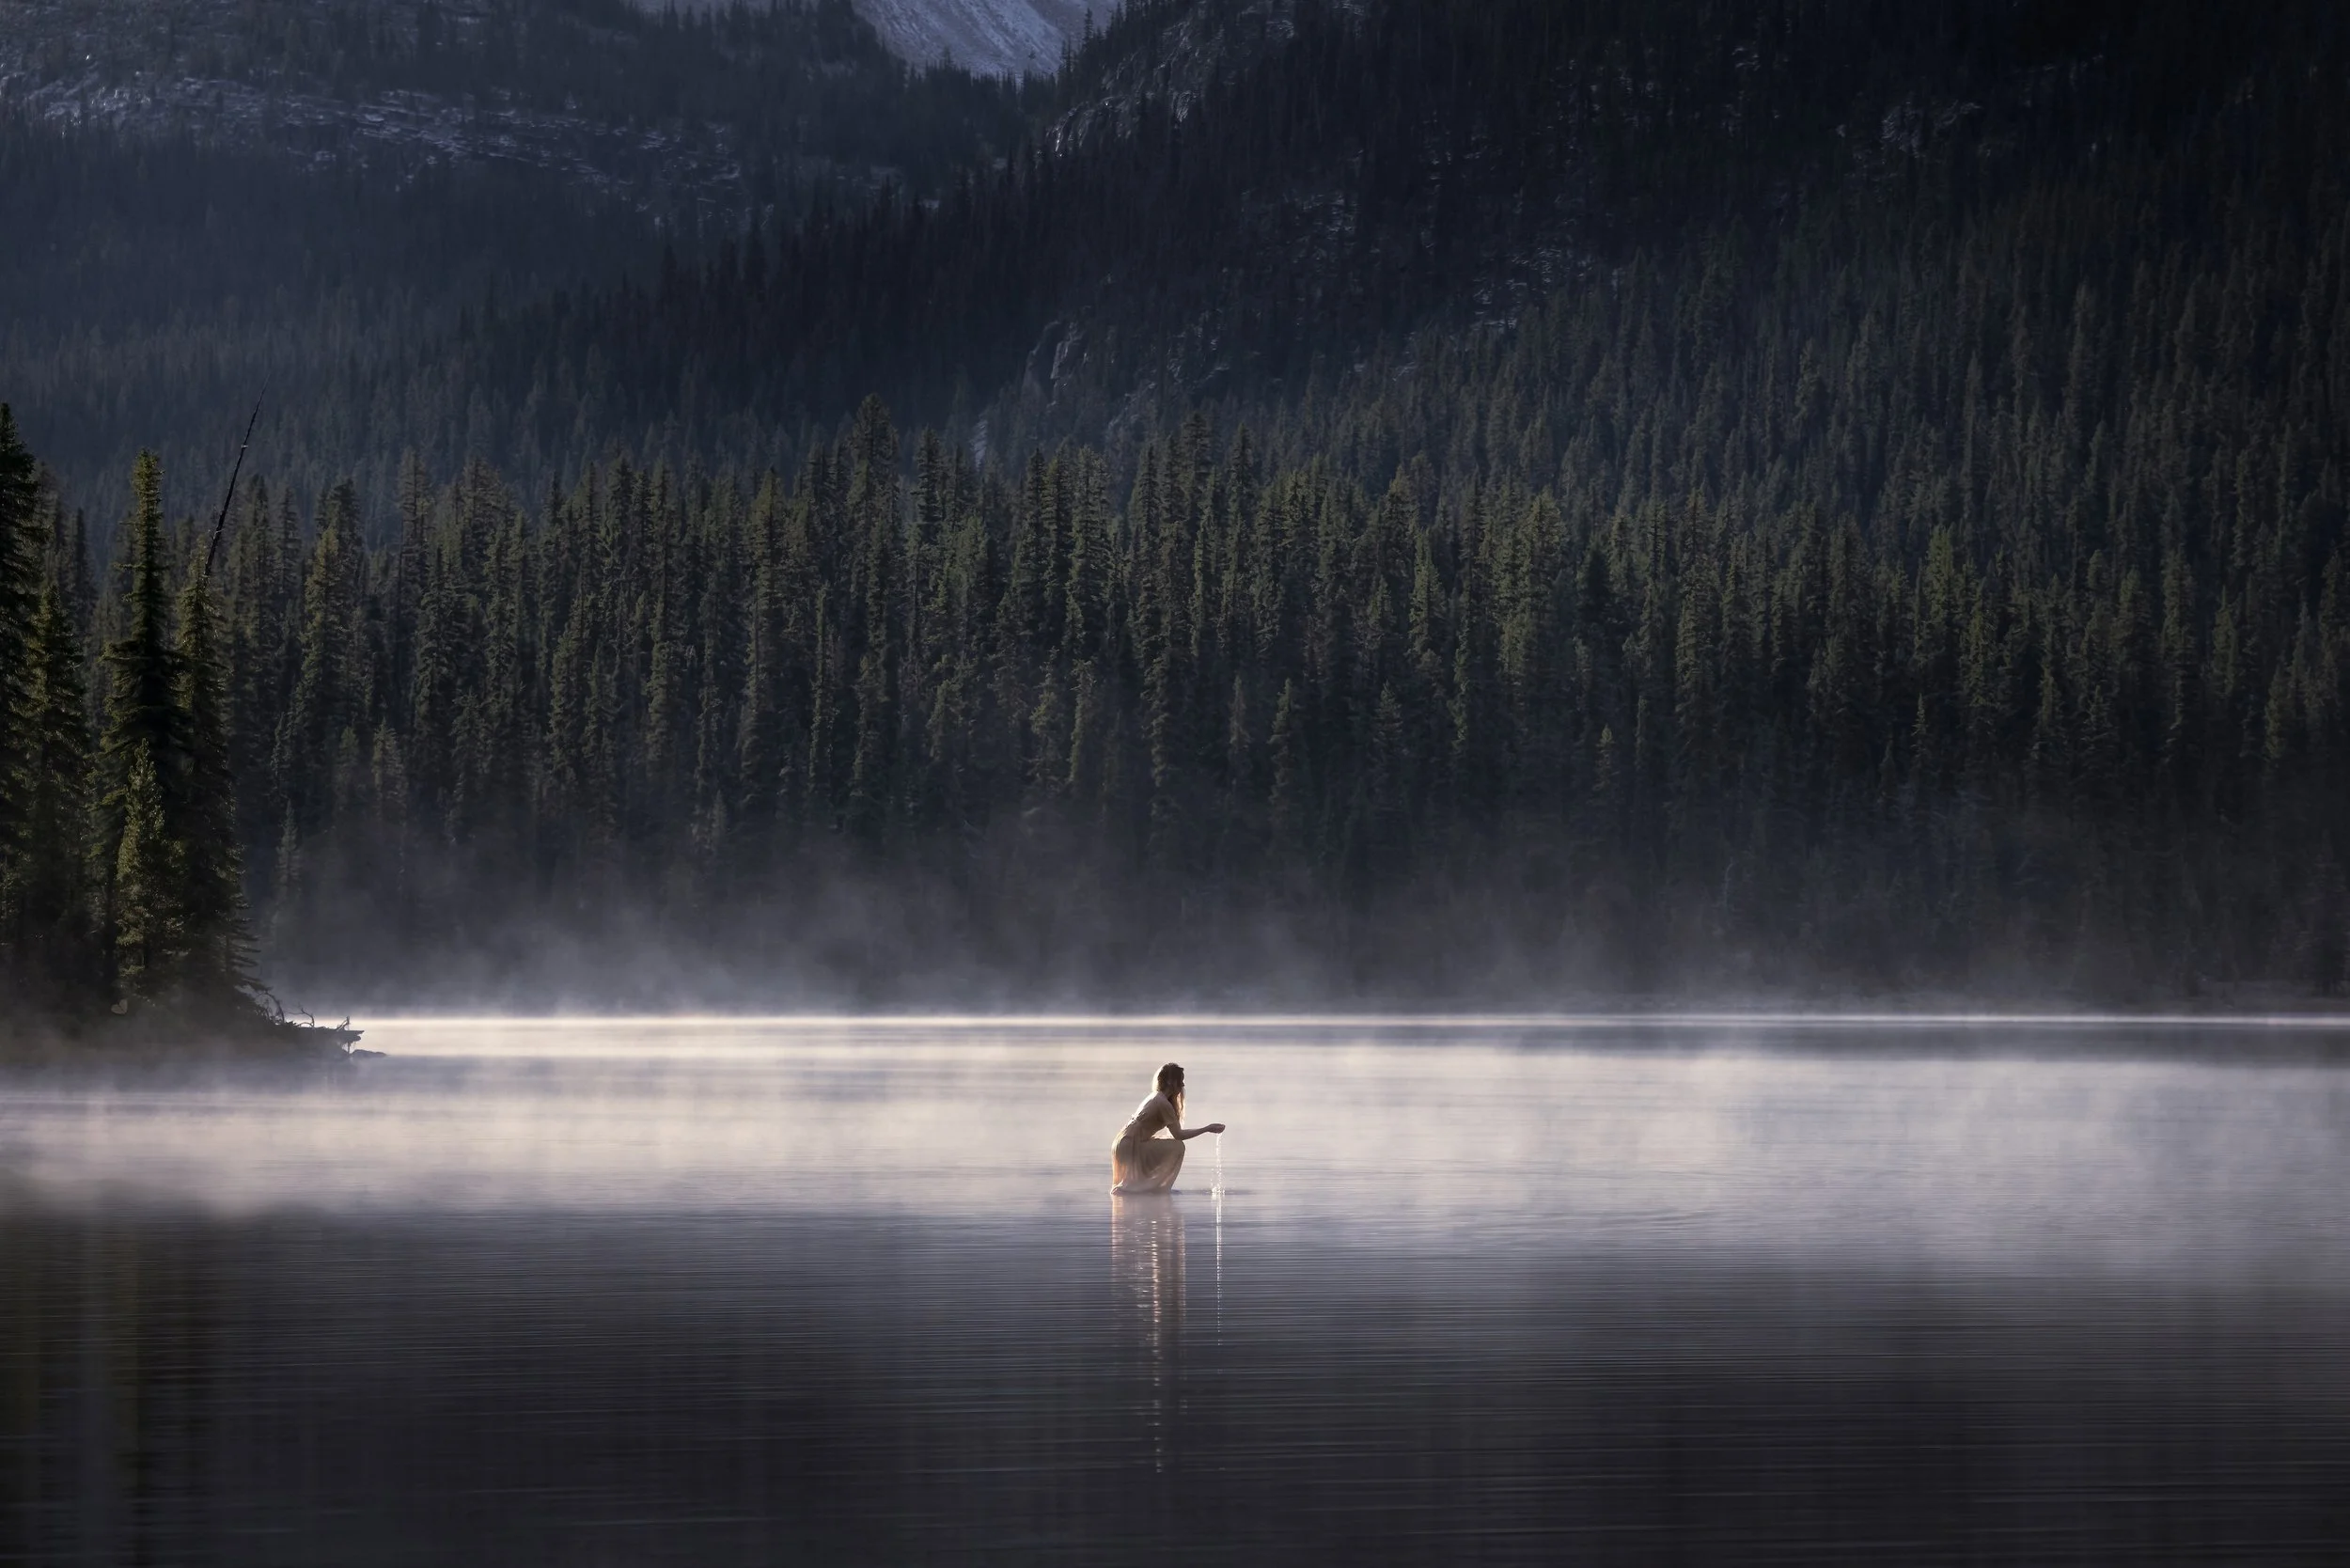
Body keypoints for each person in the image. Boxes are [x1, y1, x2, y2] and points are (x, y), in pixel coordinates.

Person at [1110, 1062, 1224, 1193]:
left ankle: (1141, 1188)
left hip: (1123, 1142)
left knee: (1171, 1143)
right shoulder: (1162, 1102)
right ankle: (1153, 1188)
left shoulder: (1156, 1097)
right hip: (1129, 1144)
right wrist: (1206, 1129)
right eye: (1180, 1080)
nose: (1183, 1085)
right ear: (1171, 1082)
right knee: (1178, 1146)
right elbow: (1179, 1135)